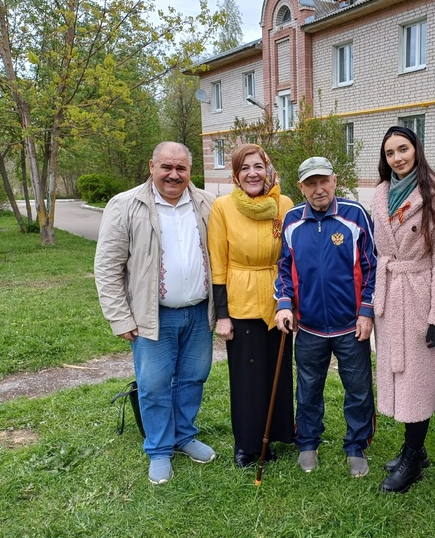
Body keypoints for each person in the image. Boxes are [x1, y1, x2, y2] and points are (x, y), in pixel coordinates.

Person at [95, 141, 217, 485]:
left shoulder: (207, 203)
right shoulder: (125, 205)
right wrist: (119, 317)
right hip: (153, 316)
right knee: (154, 384)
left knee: (194, 378)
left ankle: (184, 436)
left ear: (190, 171)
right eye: (167, 167)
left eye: (181, 168)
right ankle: (160, 449)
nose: (174, 175)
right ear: (152, 167)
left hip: (198, 313)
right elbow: (107, 267)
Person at [274, 156, 377, 478]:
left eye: (323, 181)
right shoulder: (291, 221)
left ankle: (356, 445)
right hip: (309, 326)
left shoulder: (355, 215)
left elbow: (373, 267)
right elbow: (284, 270)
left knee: (358, 389)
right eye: (310, 183)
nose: (318, 189)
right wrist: (284, 304)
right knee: (308, 388)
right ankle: (307, 442)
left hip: (351, 325)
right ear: (301, 187)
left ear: (334, 181)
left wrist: (366, 312)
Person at [371, 126, 435, 494]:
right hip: (390, 297)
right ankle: (415, 450)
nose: (397, 158)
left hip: (420, 298)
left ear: (416, 149)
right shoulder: (380, 194)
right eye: (390, 153)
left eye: (403, 149)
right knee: (399, 378)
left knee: (416, 383)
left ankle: (411, 457)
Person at [207, 144, 295, 468]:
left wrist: (291, 302)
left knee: (277, 372)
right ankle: (247, 444)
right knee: (247, 378)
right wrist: (223, 315)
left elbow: (291, 256)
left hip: (276, 300)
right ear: (235, 175)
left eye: (258, 166)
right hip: (240, 300)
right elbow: (218, 262)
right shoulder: (223, 207)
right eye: (245, 168)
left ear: (268, 169)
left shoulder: (283, 204)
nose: (252, 173)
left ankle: (275, 435)